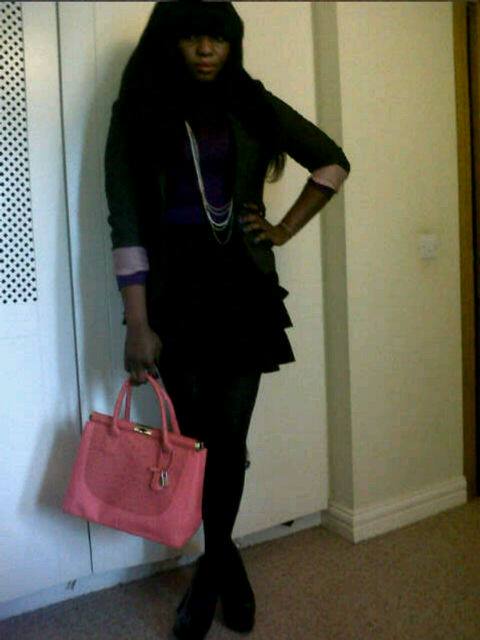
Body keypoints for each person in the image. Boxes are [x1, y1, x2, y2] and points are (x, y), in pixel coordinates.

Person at [104, 2, 350, 638]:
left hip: (243, 289)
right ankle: (226, 564)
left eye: (219, 38)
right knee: (195, 442)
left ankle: (209, 575)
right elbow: (125, 218)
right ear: (171, 42)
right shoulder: (139, 109)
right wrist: (138, 322)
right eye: (193, 37)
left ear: (232, 43)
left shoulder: (250, 101)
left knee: (230, 440)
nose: (207, 49)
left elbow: (331, 162)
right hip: (174, 295)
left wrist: (282, 229)